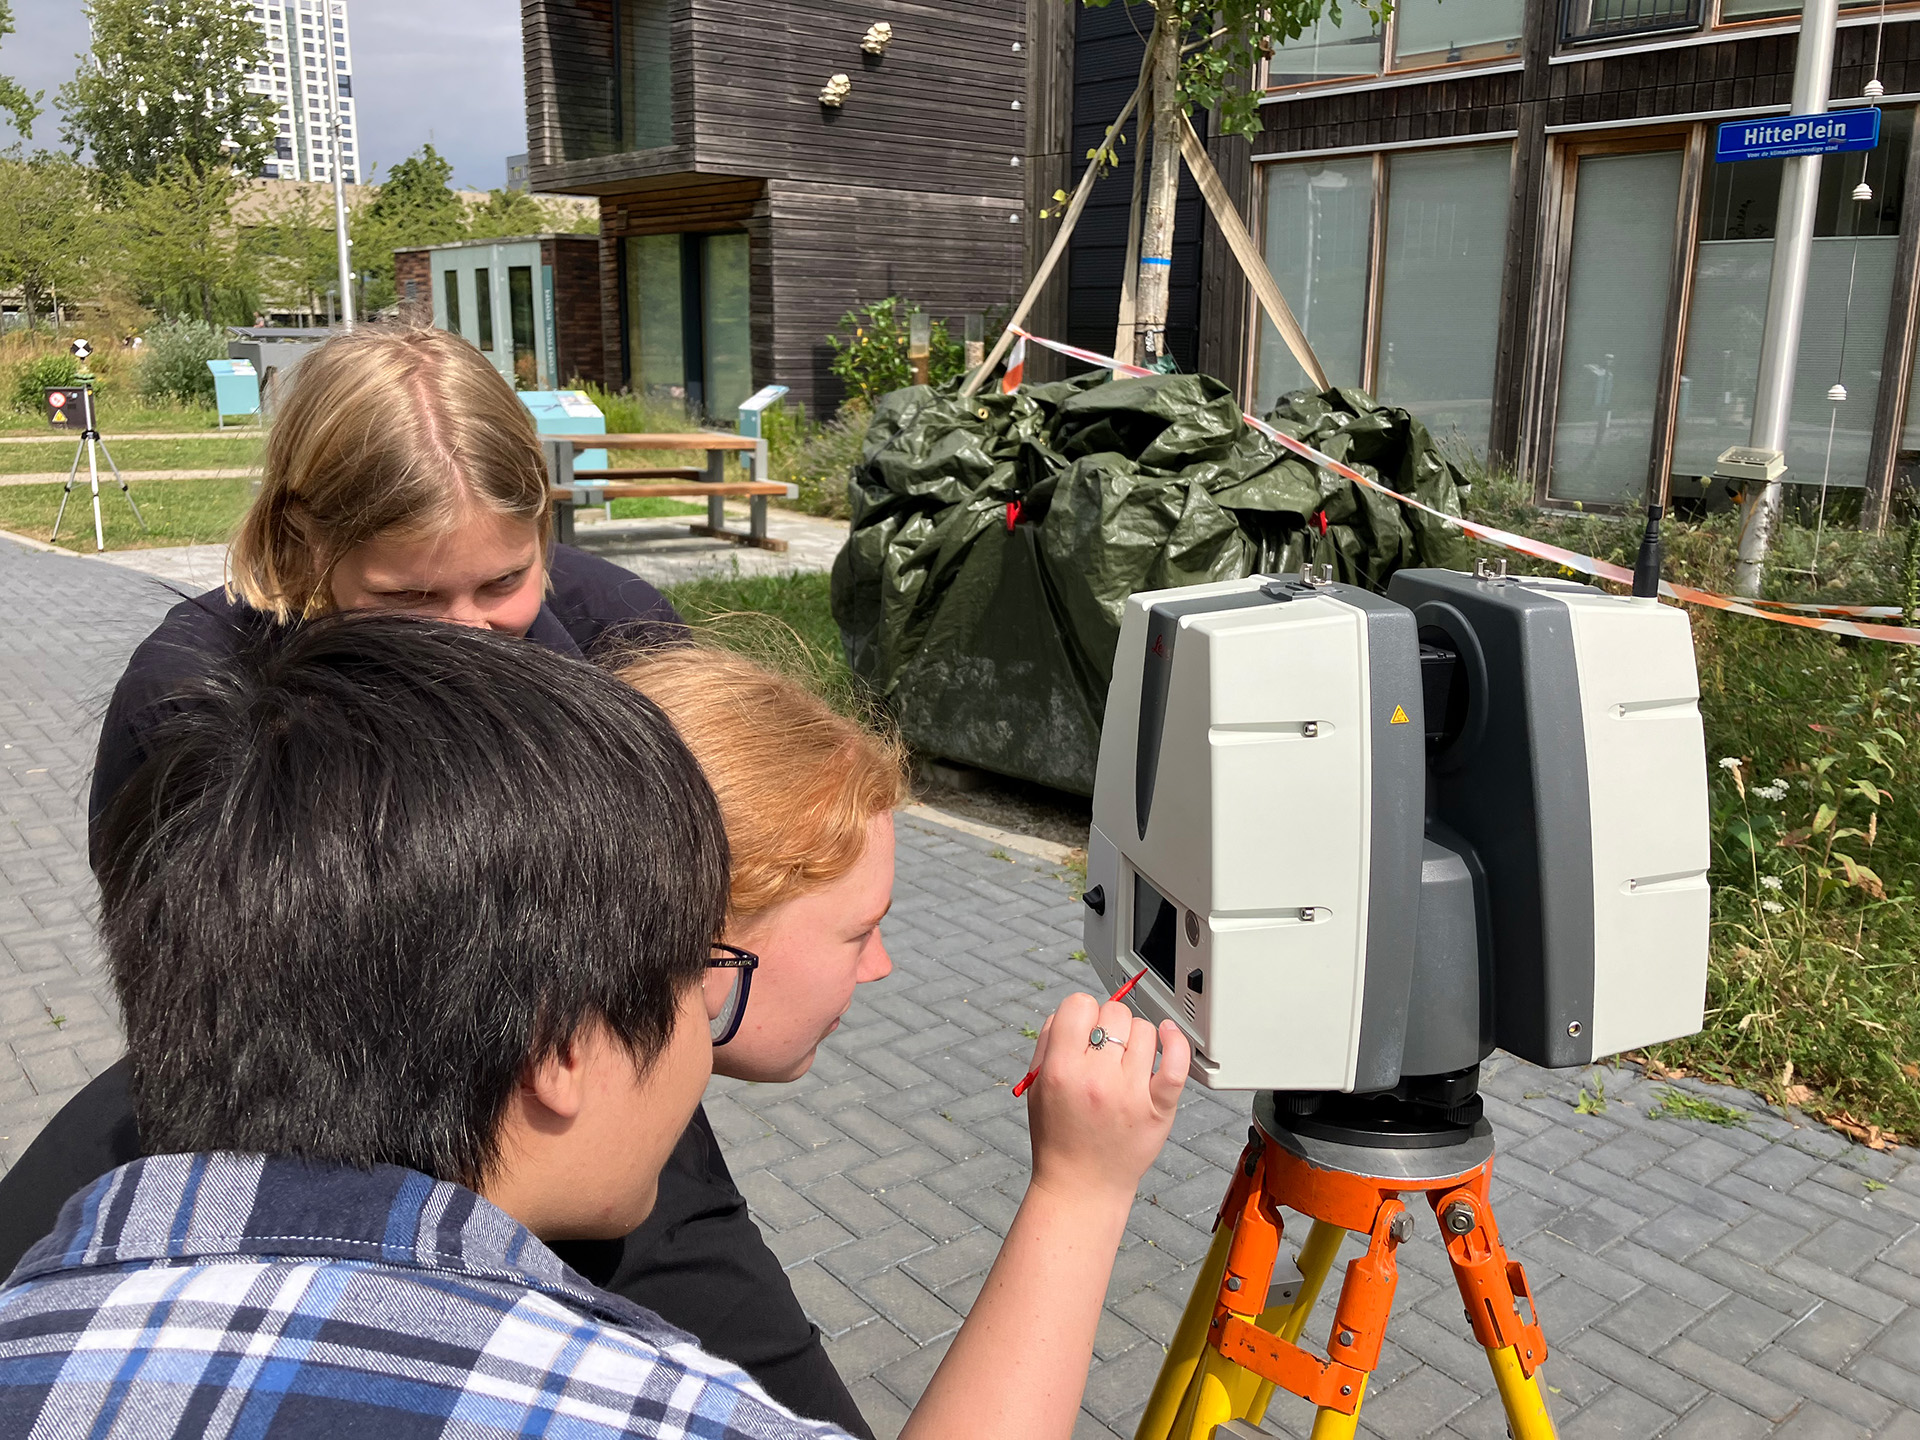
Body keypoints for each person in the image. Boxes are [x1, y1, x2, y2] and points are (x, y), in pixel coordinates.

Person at [0, 615, 1190, 1439]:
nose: (881, 968)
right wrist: (1078, 1197)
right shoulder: (641, 1293)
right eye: (697, 972)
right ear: (571, 1026)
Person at [0, 326, 863, 1434]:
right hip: (318, 1138)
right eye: (409, 599)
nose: (473, 637)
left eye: (504, 581)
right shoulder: (191, 694)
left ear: (544, 521)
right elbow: (192, 990)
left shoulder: (620, 634)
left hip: (581, 1100)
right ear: (303, 543)